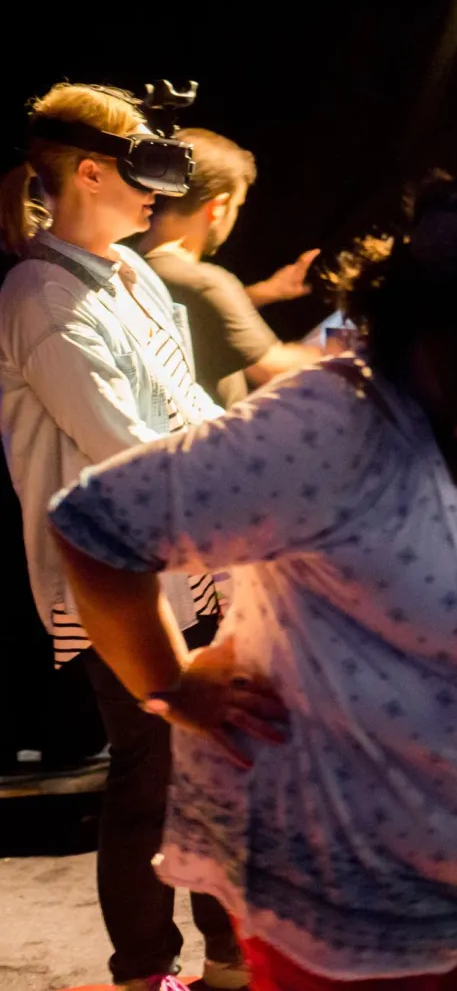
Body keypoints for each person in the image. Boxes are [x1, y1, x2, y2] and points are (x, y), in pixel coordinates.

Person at [49, 166, 457, 989]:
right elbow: (96, 524)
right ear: (435, 318)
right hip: (350, 900)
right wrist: (170, 686)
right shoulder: (334, 421)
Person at [0, 83, 243, 991]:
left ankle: (229, 960)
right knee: (152, 775)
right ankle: (147, 973)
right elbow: (124, 444)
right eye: (143, 167)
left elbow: (185, 404)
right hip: (117, 581)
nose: (159, 192)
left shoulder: (132, 274)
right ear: (90, 171)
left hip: (188, 561)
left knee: (214, 769)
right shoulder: (40, 292)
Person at [138, 128, 322, 408]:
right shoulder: (205, 282)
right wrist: (349, 346)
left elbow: (196, 311)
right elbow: (277, 370)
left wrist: (264, 292)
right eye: (237, 205)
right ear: (219, 206)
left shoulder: (130, 260)